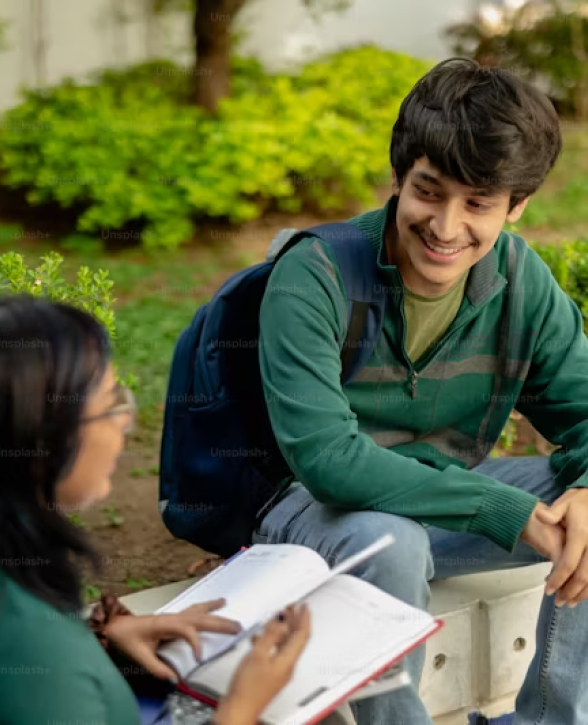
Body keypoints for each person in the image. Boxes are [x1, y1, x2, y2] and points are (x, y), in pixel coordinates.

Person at [256, 57, 588, 725]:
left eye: (478, 205)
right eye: (429, 192)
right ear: (400, 178)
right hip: (311, 513)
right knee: (393, 543)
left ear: (516, 206)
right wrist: (503, 508)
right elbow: (327, 459)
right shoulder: (313, 273)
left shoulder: (521, 284)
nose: (444, 226)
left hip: (439, 501)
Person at [0, 294, 324, 725]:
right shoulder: (32, 650)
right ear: (42, 436)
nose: (125, 422)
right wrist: (242, 709)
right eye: (110, 402)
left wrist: (102, 638)